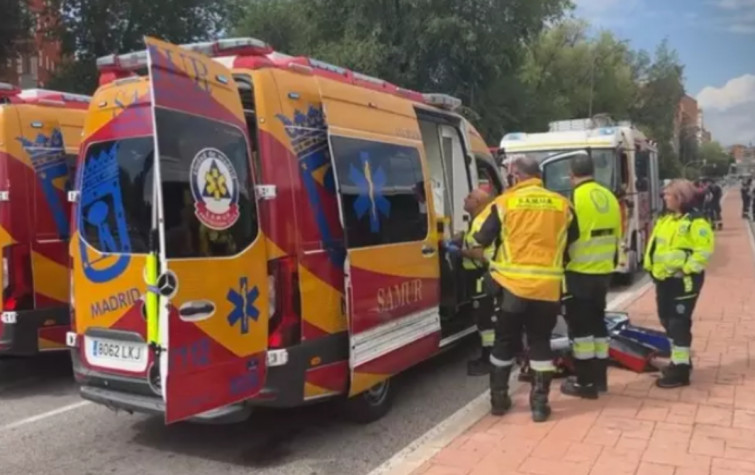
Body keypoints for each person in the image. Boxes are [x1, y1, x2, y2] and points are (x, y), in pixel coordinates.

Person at [472, 156, 577, 422]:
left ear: (517, 176)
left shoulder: (505, 203)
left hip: (512, 288)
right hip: (547, 289)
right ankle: (539, 405)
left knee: (504, 341)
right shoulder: (562, 204)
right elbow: (572, 238)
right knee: (541, 341)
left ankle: (499, 400)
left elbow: (481, 238)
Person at [560, 153, 622, 399]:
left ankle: (584, 384)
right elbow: (617, 232)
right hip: (604, 271)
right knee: (598, 326)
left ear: (571, 173)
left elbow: (568, 235)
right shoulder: (608, 196)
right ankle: (600, 380)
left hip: (579, 272)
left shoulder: (574, 197)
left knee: (581, 331)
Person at [644, 179, 714, 388]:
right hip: (664, 280)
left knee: (678, 323)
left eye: (668, 194)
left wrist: (686, 269)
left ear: (680, 197)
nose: (664, 197)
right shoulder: (667, 220)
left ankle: (680, 372)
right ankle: (679, 360)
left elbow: (703, 252)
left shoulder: (695, 222)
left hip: (683, 281)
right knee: (666, 319)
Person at [446, 189, 497, 376]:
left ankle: (489, 359)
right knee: (485, 317)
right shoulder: (479, 219)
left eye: (468, 197)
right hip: (480, 274)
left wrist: (457, 252)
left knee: (485, 319)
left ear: (477, 202)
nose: (464, 199)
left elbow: (477, 253)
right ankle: (490, 356)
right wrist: (458, 240)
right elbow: (470, 238)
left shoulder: (482, 221)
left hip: (482, 275)